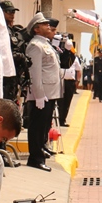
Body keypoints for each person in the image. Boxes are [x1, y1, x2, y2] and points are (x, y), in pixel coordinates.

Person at [25, 12, 62, 172]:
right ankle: (35, 158)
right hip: (42, 94)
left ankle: (40, 151)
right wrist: (39, 95)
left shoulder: (45, 44)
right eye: (44, 24)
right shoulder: (35, 46)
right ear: (36, 29)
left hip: (50, 92)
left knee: (43, 126)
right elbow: (35, 73)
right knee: (37, 127)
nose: (48, 26)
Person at [0, 0, 26, 101]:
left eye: (13, 12)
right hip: (4, 75)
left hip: (14, 74)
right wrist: (18, 56)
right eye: (8, 11)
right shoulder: (0, 29)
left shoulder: (11, 30)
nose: (12, 14)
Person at [58, 39, 81, 126]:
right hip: (60, 81)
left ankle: (62, 120)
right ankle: (59, 118)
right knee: (60, 101)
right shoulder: (59, 55)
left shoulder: (74, 57)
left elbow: (78, 70)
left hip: (70, 82)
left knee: (67, 101)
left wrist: (77, 80)